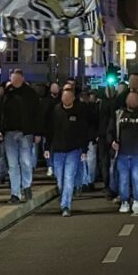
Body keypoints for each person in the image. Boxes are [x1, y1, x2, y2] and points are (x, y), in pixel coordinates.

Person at [46, 85, 92, 215]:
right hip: (58, 151)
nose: (66, 100)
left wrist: (83, 150)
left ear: (73, 98)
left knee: (68, 177)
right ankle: (65, 198)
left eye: (68, 97)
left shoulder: (79, 111)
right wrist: (47, 147)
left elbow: (84, 131)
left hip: (73, 150)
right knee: (60, 179)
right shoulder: (55, 111)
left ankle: (66, 205)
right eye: (64, 97)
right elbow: (50, 130)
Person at [0, 70, 42, 203]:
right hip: (9, 132)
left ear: (22, 79)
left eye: (17, 78)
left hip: (25, 132)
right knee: (12, 165)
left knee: (26, 162)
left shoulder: (30, 93)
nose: (15, 81)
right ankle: (15, 193)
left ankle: (27, 185)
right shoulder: (6, 93)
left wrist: (38, 132)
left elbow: (37, 113)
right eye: (13, 79)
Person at [109, 89, 138, 214]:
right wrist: (112, 142)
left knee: (137, 178)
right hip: (122, 153)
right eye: (131, 99)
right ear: (126, 101)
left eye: (135, 99)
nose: (133, 101)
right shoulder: (118, 114)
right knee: (123, 179)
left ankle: (137, 200)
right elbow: (110, 130)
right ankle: (124, 201)